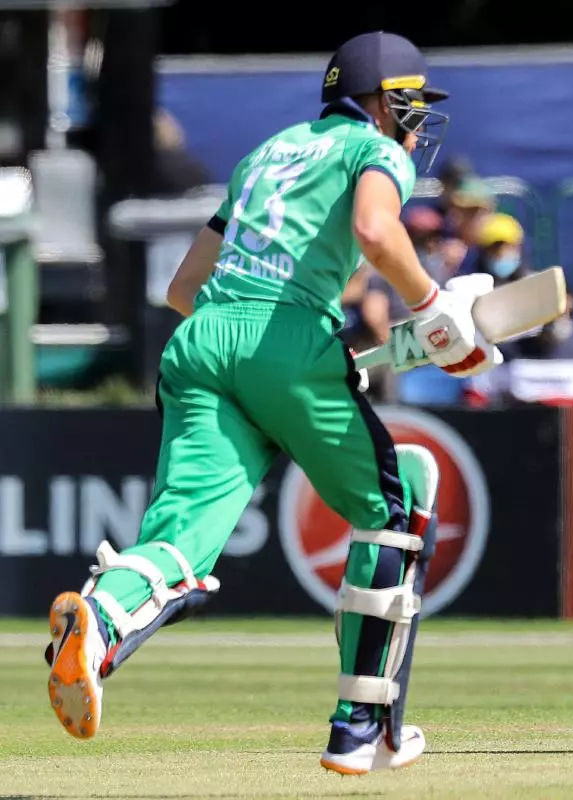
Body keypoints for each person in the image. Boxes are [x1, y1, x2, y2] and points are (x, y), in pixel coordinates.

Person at [42, 31, 503, 775]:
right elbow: (375, 232)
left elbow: (183, 288)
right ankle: (362, 728)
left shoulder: (269, 151)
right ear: (381, 102)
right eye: (411, 104)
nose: (416, 123)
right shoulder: (373, 150)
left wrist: (296, 354)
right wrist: (433, 309)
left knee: (181, 546)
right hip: (282, 341)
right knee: (400, 502)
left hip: (201, 345)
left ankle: (95, 623)